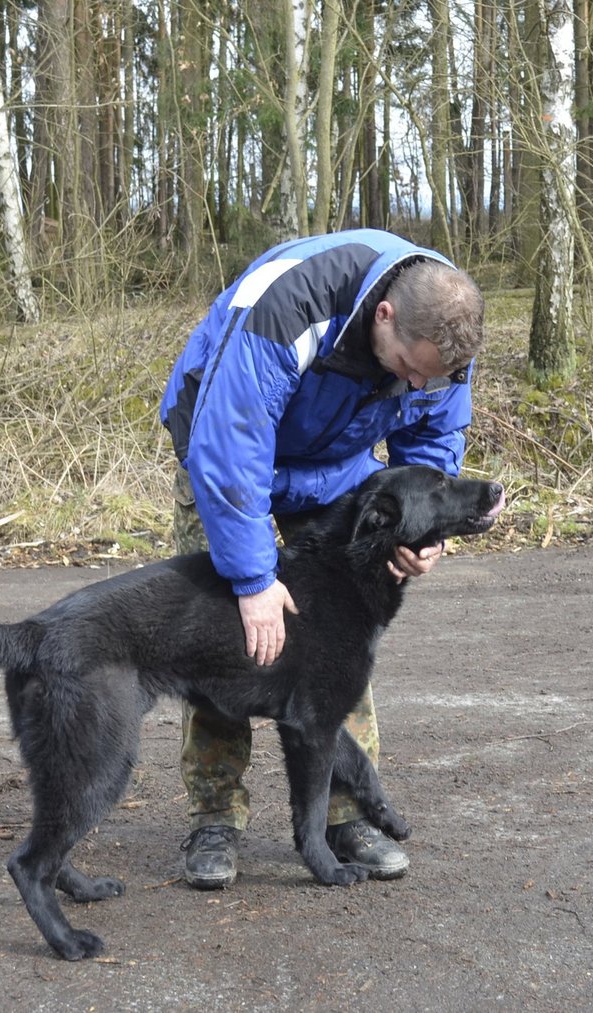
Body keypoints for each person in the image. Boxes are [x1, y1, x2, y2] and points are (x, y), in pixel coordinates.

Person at [159, 228, 484, 889]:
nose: (417, 382)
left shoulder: (445, 335)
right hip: (225, 456)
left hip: (334, 471)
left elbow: (435, 440)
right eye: (406, 367)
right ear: (384, 315)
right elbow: (232, 447)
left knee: (340, 637)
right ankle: (217, 813)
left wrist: (421, 534)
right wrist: (252, 578)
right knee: (227, 634)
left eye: (429, 376)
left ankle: (346, 812)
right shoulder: (290, 306)